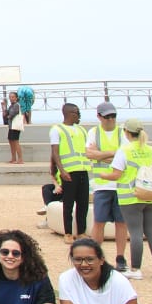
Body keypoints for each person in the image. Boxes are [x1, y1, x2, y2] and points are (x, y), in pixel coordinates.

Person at [96, 118, 152, 280]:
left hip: (131, 196)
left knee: (135, 233)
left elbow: (116, 174)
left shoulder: (124, 150)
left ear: (126, 132)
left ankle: (136, 269)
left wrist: (101, 174)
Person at [84, 102, 131, 271]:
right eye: (107, 117)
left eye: (113, 116)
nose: (111, 120)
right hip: (102, 185)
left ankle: (120, 257)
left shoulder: (122, 132)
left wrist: (101, 155)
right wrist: (114, 154)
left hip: (121, 185)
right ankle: (96, 256)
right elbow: (89, 153)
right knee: (99, 221)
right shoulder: (93, 132)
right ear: (99, 117)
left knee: (121, 222)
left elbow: (125, 156)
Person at [50, 103, 91, 242]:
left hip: (83, 170)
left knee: (83, 203)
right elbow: (55, 152)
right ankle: (68, 233)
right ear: (69, 113)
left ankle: (81, 232)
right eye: (76, 112)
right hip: (69, 172)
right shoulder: (57, 129)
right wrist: (61, 171)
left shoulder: (82, 130)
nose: (78, 115)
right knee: (68, 204)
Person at [2, 91, 26, 164]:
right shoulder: (11, 106)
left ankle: (20, 159)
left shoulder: (16, 105)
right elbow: (6, 114)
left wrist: (8, 116)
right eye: (10, 97)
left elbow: (11, 115)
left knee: (15, 142)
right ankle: (13, 158)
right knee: (11, 141)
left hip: (15, 126)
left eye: (13, 97)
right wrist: (4, 107)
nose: (11, 98)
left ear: (16, 98)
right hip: (11, 126)